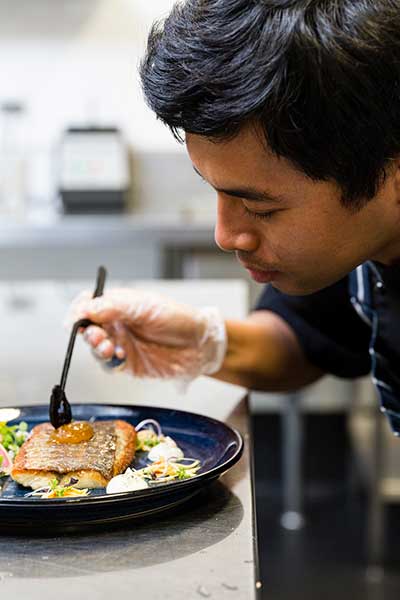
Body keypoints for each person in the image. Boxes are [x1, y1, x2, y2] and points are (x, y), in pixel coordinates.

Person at [69, 0, 400, 435]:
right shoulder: (358, 240)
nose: (225, 236)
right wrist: (203, 344)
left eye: (261, 208)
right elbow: (311, 336)